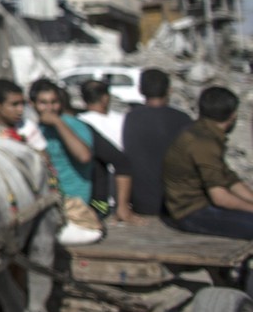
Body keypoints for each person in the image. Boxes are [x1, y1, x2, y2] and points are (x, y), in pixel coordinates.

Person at [162, 86, 253, 240]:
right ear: (233, 115)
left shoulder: (201, 132)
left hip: (197, 207)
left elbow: (229, 179)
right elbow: (220, 198)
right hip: (190, 213)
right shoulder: (204, 143)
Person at [29, 79, 104, 246]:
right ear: (32, 104)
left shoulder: (73, 125)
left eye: (54, 102)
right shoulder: (32, 129)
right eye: (43, 103)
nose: (49, 108)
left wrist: (57, 122)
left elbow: (84, 156)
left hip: (72, 207)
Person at [120, 68, 192, 217]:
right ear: (169, 90)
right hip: (178, 203)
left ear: (140, 90)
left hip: (142, 203)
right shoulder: (183, 119)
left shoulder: (131, 118)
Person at [77, 80, 140, 224]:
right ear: (105, 98)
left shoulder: (78, 124)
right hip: (122, 197)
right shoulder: (123, 121)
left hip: (93, 197)